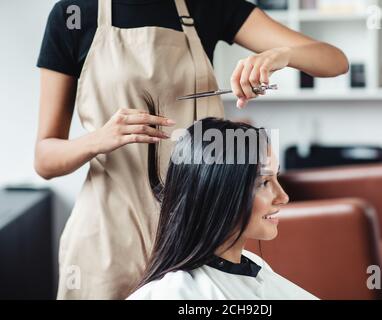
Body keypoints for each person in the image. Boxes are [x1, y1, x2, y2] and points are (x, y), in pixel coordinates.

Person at [35, 0, 348, 299]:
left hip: (197, 228)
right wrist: (99, 139)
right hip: (108, 230)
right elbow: (45, 159)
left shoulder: (208, 6)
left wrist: (280, 55)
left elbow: (334, 61)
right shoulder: (72, 15)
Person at [128, 117, 318, 300]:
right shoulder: (175, 292)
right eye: (263, 183)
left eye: (276, 177)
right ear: (218, 190)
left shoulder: (254, 266)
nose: (283, 197)